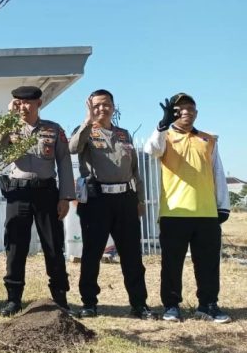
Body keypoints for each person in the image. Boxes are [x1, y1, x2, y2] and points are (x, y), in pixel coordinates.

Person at [69, 89, 156, 319]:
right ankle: (89, 303)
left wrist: (139, 200)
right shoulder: (86, 132)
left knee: (131, 255)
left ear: (113, 106)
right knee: (91, 254)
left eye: (105, 104)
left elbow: (136, 171)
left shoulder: (124, 135)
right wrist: (87, 120)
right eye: (96, 105)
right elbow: (73, 147)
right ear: (89, 107)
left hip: (125, 200)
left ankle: (139, 304)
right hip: (97, 200)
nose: (101, 109)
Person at [144, 93, 231, 323]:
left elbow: (218, 173)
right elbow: (151, 149)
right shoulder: (165, 136)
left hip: (206, 212)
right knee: (172, 263)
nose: (186, 112)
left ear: (196, 112)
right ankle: (172, 305)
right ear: (173, 113)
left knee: (208, 263)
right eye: (180, 109)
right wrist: (161, 125)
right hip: (175, 212)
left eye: (190, 108)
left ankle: (208, 304)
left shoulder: (208, 139)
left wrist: (222, 205)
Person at [0, 86, 74, 316]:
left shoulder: (53, 129)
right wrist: (7, 119)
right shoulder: (8, 128)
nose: (22, 107)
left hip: (46, 193)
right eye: (18, 102)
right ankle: (13, 298)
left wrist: (65, 197)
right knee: (15, 246)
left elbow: (64, 163)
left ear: (38, 103)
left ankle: (60, 296)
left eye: (27, 102)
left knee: (53, 245)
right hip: (18, 192)